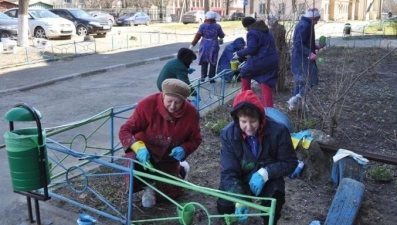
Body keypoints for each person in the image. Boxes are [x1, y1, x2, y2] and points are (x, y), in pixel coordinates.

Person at [216, 90, 298, 224]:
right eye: (244, 121)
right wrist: (238, 201)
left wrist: (265, 173)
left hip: (268, 179)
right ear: (237, 119)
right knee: (224, 207)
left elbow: (290, 162)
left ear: (261, 118)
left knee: (274, 203)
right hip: (241, 176)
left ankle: (268, 221)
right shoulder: (228, 134)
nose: (248, 127)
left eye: (253, 121)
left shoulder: (279, 131)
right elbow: (229, 171)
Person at [119, 79, 202, 207]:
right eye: (169, 101)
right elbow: (125, 130)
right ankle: (148, 186)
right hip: (145, 153)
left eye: (178, 102)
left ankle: (181, 170)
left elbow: (196, 139)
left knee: (169, 195)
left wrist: (184, 149)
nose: (173, 106)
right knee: (133, 165)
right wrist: (138, 147)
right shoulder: (147, 105)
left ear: (184, 101)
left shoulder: (191, 114)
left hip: (168, 158)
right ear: (163, 95)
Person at [234, 17, 279, 108]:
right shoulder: (266, 30)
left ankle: (245, 101)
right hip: (272, 60)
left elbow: (251, 48)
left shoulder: (252, 32)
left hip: (261, 60)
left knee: (244, 72)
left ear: (247, 26)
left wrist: (239, 54)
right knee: (266, 81)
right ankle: (268, 109)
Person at [288, 8, 325, 111]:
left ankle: (294, 105)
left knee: (300, 81)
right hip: (301, 58)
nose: (317, 22)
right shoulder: (305, 26)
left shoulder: (307, 24)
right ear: (313, 18)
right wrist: (309, 53)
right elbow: (297, 43)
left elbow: (305, 42)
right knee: (312, 79)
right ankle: (296, 99)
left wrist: (316, 46)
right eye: (317, 20)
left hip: (302, 56)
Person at [189, 11, 225, 83]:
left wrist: (192, 45)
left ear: (207, 17)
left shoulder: (202, 26)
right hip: (214, 45)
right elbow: (221, 35)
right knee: (213, 61)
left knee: (204, 61)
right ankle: (211, 78)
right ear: (214, 18)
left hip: (204, 45)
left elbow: (197, 36)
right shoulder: (217, 26)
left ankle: (203, 77)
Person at [267, 15, 289, 92]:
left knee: (276, 69)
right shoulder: (281, 28)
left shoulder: (272, 30)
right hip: (281, 50)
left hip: (276, 52)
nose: (268, 22)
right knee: (279, 69)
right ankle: (277, 85)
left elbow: (274, 42)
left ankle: (275, 86)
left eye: (269, 20)